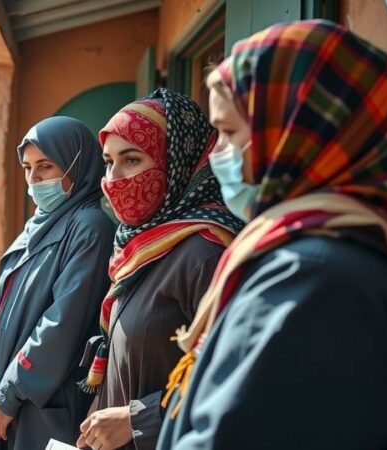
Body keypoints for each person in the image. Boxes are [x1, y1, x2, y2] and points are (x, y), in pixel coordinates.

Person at [158, 20, 387, 450]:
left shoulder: (312, 280)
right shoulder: (321, 259)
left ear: (296, 137)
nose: (217, 158)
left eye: (227, 134)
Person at [76, 89, 243, 450]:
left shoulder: (205, 253)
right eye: (108, 161)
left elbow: (233, 374)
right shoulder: (136, 246)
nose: (115, 178)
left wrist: (139, 419)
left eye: (132, 160)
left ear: (176, 162)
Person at [0, 116, 116, 450]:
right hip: (5, 395)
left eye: (45, 166)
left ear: (77, 164)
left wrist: (10, 391)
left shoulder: (90, 228)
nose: (34, 179)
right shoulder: (36, 226)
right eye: (28, 167)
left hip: (42, 400)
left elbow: (62, 322)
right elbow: (0, 302)